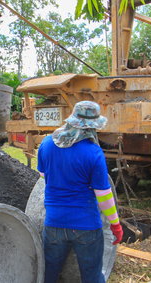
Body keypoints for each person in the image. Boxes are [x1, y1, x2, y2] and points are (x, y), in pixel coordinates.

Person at [37, 101, 123, 283]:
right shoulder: (94, 153)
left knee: (48, 273)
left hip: (54, 223)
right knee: (92, 276)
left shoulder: (46, 144)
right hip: (86, 228)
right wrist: (115, 224)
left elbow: (43, 174)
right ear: (93, 126)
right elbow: (103, 195)